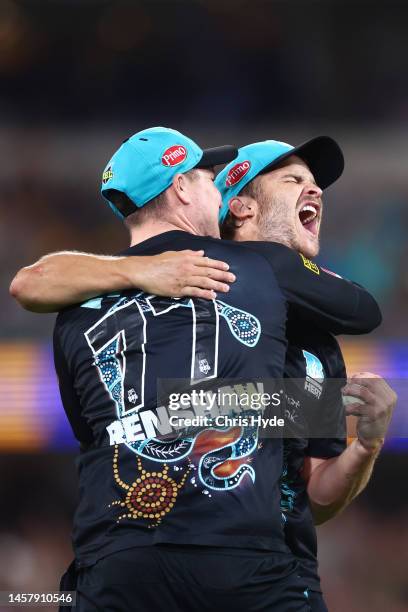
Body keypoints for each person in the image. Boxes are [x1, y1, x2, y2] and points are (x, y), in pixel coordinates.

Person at [10, 127, 384, 612]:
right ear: (185, 188)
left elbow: (94, 427)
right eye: (209, 178)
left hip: (110, 566)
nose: (313, 191)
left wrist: (366, 445)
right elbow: (363, 309)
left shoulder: (73, 305)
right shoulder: (259, 270)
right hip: (248, 567)